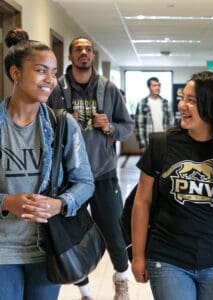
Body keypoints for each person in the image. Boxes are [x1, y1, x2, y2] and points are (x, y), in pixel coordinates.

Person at [0, 29, 94, 300]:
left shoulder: (62, 124)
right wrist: (7, 202)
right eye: (41, 71)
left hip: (48, 248)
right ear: (16, 73)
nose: (50, 80)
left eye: (53, 73)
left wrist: (60, 204)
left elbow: (85, 183)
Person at [131, 71, 213, 300]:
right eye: (183, 98)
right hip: (168, 258)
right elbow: (142, 201)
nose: (182, 105)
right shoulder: (162, 144)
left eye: (192, 101)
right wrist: (138, 255)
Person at [48, 37, 134, 300]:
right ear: (71, 57)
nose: (84, 53)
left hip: (103, 173)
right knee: (70, 239)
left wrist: (109, 127)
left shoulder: (109, 89)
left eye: (88, 50)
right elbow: (41, 126)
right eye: (78, 50)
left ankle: (121, 280)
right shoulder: (56, 90)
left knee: (115, 233)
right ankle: (85, 292)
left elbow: (126, 127)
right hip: (67, 178)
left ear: (93, 56)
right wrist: (61, 122)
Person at [135, 77, 173, 152]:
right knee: (149, 163)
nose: (157, 87)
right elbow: (139, 126)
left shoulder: (165, 102)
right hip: (149, 140)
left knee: (163, 163)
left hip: (164, 140)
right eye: (154, 85)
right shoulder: (142, 103)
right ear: (149, 87)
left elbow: (171, 123)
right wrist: (142, 144)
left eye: (158, 85)